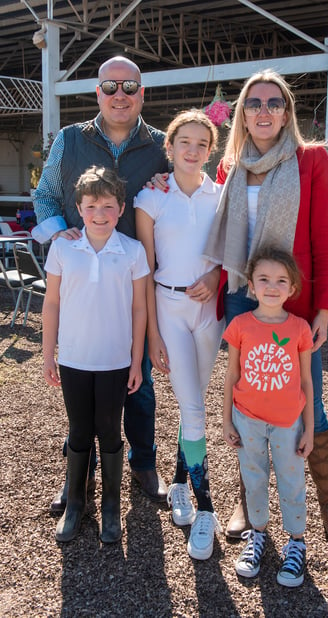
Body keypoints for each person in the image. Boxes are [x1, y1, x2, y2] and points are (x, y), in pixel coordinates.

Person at [204, 69, 328, 552]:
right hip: (241, 296)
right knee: (249, 398)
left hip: (294, 302)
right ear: (242, 114)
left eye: (272, 102)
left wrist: (325, 307)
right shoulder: (231, 166)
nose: (262, 111)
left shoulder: (310, 161)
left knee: (310, 401)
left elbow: (325, 241)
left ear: (287, 112)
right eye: (253, 103)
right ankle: (249, 501)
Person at [32, 56, 169, 507]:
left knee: (140, 380)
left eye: (129, 86)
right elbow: (47, 193)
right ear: (97, 93)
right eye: (110, 87)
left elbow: (180, 198)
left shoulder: (160, 146)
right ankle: (80, 473)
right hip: (84, 280)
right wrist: (59, 234)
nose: (120, 95)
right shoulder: (71, 140)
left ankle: (144, 464)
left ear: (142, 93)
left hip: (135, 281)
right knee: (82, 384)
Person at [42, 166, 149, 543]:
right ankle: (75, 503)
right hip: (73, 358)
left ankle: (110, 507)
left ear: (121, 208)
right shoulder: (63, 247)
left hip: (115, 362)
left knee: (110, 430)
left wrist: (137, 361)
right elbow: (52, 302)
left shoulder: (132, 251)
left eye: (107, 206)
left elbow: (139, 309)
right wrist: (46, 353)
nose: (99, 215)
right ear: (78, 208)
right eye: (91, 207)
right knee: (79, 430)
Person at [134, 110, 223, 560]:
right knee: (192, 407)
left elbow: (231, 251)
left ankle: (177, 483)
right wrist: (152, 336)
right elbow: (146, 272)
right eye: (183, 141)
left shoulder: (220, 196)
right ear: (169, 147)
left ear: (211, 150)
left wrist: (215, 276)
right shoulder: (150, 198)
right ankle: (206, 508)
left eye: (201, 144)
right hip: (168, 307)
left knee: (195, 404)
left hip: (210, 313)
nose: (192, 150)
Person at [223, 246, 313, 585]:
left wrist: (308, 428)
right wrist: (226, 419)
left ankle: (296, 542)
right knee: (254, 478)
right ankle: (257, 534)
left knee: (292, 482)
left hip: (288, 421)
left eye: (280, 280)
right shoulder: (240, 324)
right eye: (263, 279)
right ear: (251, 283)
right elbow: (231, 375)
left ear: (292, 288)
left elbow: (305, 380)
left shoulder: (300, 329)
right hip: (247, 418)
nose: (271, 286)